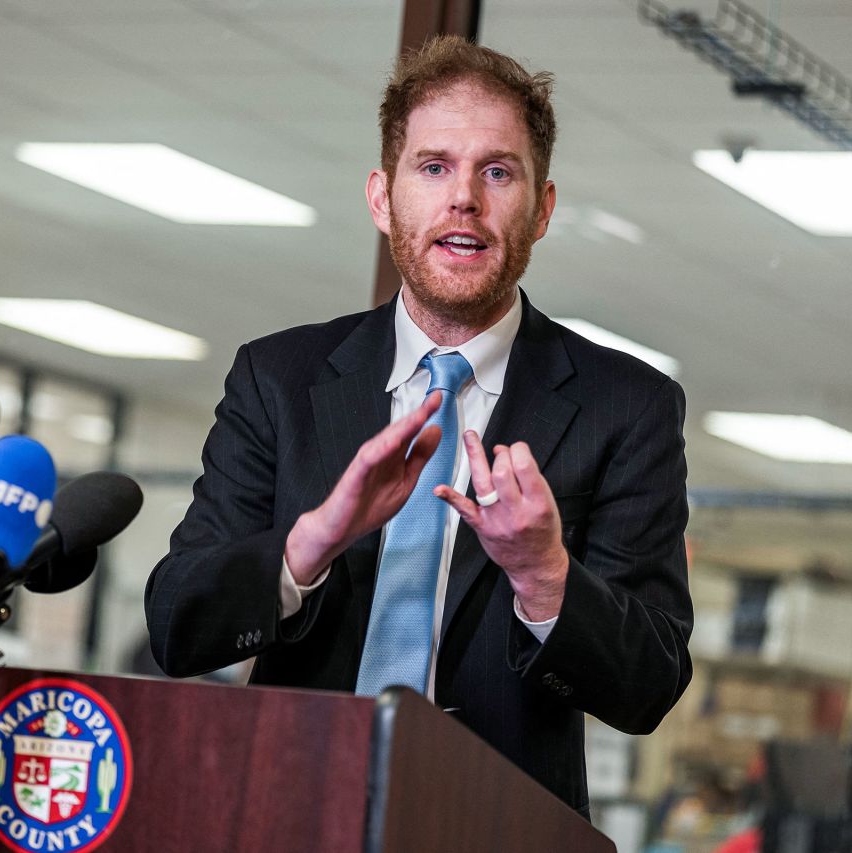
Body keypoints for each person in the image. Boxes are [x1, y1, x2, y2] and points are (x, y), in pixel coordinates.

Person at [145, 35, 693, 816]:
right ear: (382, 198)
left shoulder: (627, 406)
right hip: (290, 810)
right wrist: (311, 543)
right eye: (433, 167)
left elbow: (650, 686)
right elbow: (176, 624)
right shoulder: (280, 379)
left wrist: (544, 575)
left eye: (497, 171)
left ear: (540, 210)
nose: (463, 198)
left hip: (499, 828)